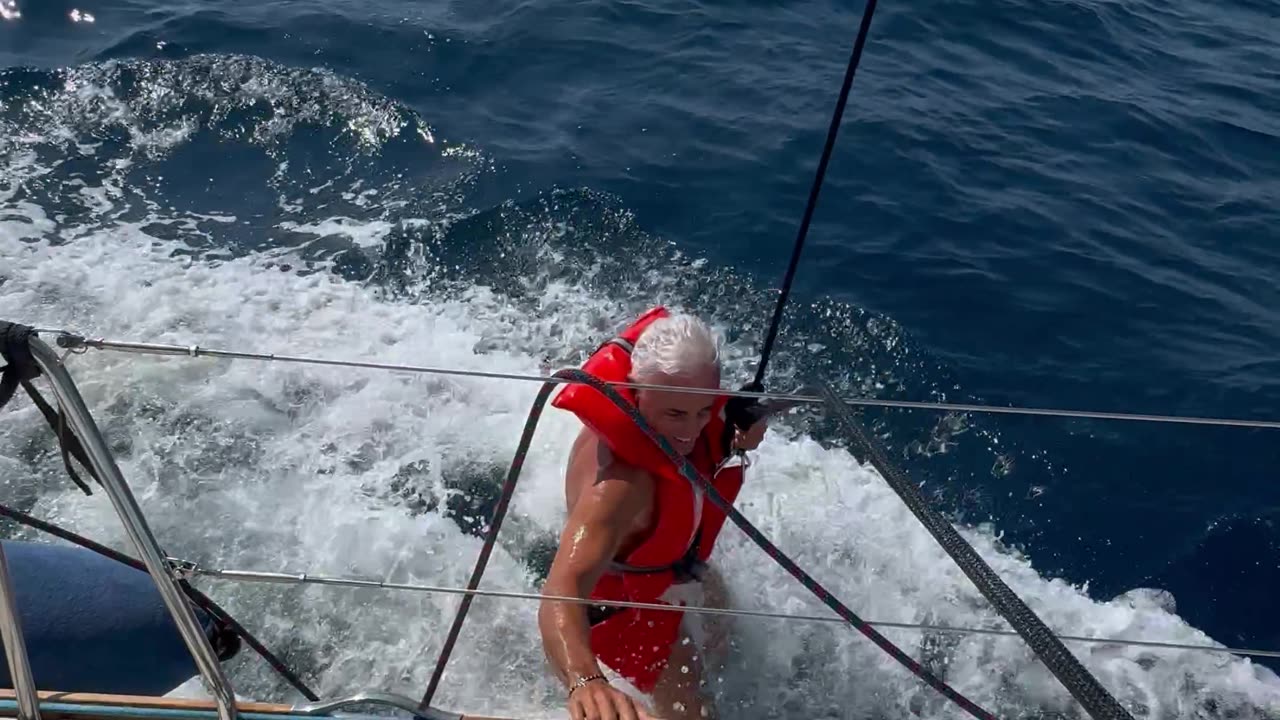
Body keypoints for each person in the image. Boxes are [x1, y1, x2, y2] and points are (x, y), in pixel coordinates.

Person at [538, 307, 768, 720]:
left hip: (667, 568)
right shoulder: (622, 488)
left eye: (704, 410)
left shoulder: (677, 403)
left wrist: (739, 430)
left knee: (724, 633)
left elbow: (704, 425)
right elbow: (560, 592)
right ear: (636, 391)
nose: (692, 429)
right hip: (622, 611)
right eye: (676, 414)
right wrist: (586, 682)